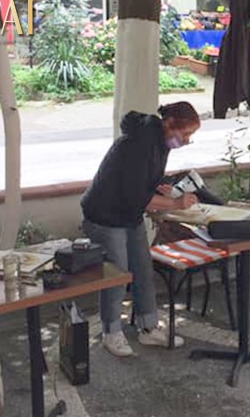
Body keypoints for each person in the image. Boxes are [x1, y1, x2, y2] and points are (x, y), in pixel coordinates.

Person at [81, 102, 200, 357]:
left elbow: (146, 180)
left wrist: (161, 187)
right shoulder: (137, 145)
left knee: (143, 270)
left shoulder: (161, 143)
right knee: (117, 275)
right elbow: (136, 195)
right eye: (185, 134)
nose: (186, 141)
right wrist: (175, 204)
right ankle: (111, 333)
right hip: (105, 216)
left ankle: (148, 327)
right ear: (169, 123)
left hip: (129, 215)